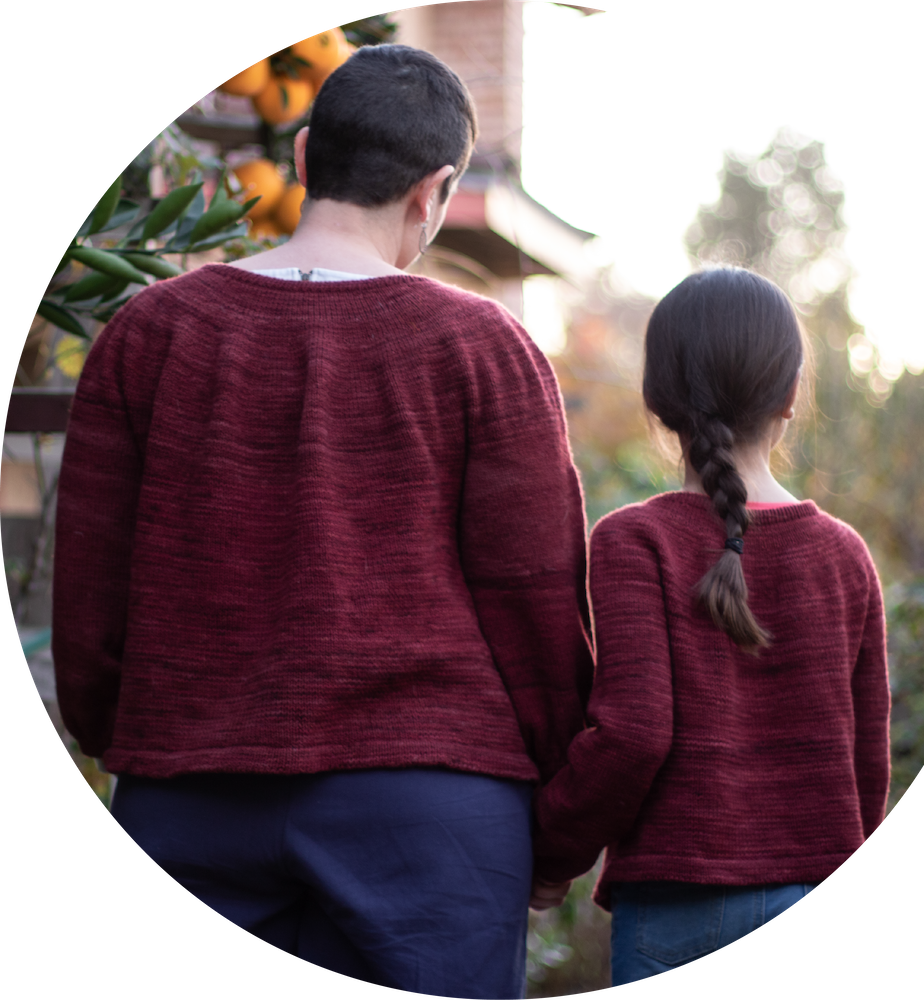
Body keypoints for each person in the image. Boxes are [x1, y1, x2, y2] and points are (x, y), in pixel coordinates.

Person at [52, 44, 593, 998]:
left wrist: (130, 738)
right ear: (432, 193)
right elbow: (538, 608)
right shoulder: (486, 349)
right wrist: (553, 817)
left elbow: (90, 599)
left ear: (303, 158)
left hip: (187, 792)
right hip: (433, 811)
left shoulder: (148, 336)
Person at [530, 266, 891, 984]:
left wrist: (551, 854)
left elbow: (632, 735)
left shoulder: (635, 540)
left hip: (679, 907)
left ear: (657, 399)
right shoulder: (845, 555)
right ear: (791, 396)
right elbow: (868, 764)